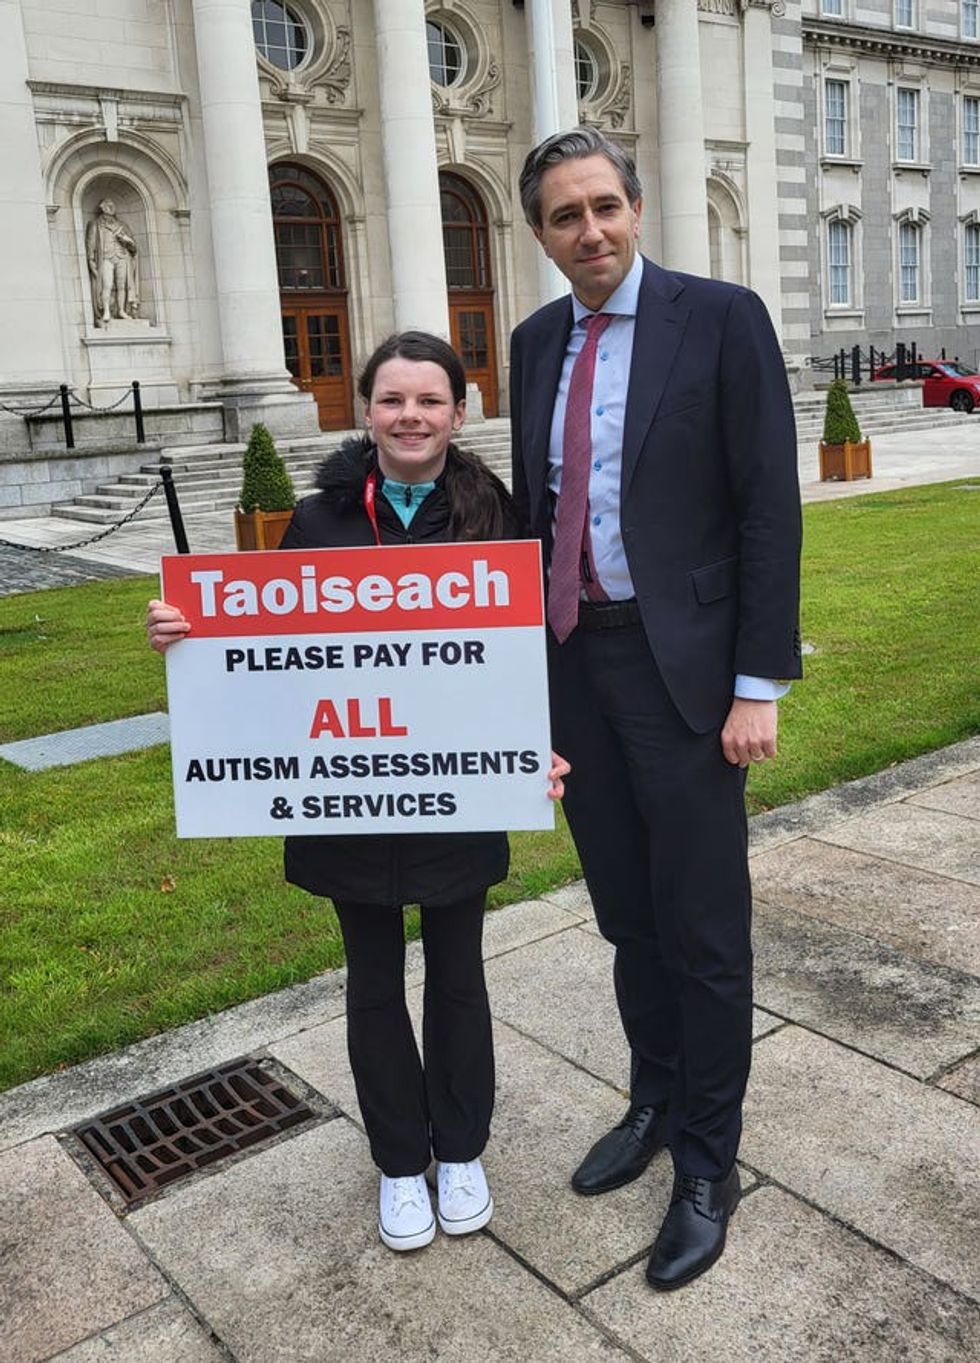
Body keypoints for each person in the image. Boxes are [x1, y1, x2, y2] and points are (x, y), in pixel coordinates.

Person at [148, 331, 568, 1254]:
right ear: (365, 411)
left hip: (457, 789)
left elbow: (530, 650)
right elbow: (277, 656)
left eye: (429, 401)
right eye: (392, 400)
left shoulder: (495, 514)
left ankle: (459, 1149)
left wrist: (544, 743)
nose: (410, 417)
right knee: (372, 980)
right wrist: (191, 631)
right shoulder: (318, 518)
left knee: (458, 974)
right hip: (347, 796)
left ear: (460, 413)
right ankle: (396, 1162)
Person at [510, 128, 802, 1290]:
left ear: (635, 208)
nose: (589, 231)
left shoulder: (719, 318)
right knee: (628, 918)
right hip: (578, 671)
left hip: (686, 680)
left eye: (603, 207)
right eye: (563, 216)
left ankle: (705, 1162)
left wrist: (755, 682)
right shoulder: (536, 343)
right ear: (538, 234)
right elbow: (528, 517)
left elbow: (765, 509)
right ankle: (653, 1098)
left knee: (702, 931)